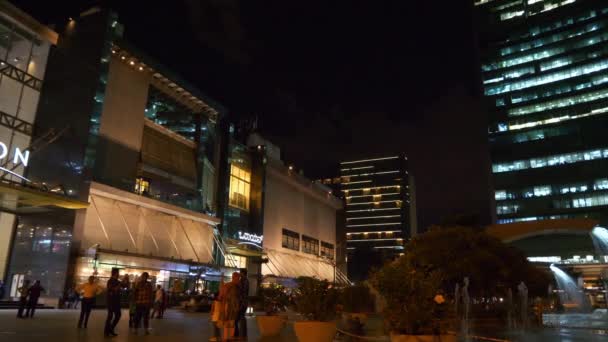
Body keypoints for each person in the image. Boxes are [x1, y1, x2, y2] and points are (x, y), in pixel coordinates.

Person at [218, 272, 241, 340]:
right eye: (237, 278)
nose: (238, 280)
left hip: (233, 308)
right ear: (234, 277)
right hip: (228, 307)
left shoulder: (236, 286)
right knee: (228, 323)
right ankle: (226, 338)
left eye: (239, 278)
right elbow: (221, 296)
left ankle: (229, 338)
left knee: (231, 324)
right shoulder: (228, 285)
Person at [104, 268, 122, 337]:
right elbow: (110, 289)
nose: (118, 274)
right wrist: (117, 288)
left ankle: (111, 329)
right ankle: (106, 332)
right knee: (110, 316)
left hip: (117, 301)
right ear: (115, 273)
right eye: (118, 273)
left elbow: (123, 286)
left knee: (118, 315)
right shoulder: (110, 281)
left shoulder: (118, 281)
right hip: (111, 301)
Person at [235, 268, 249, 339]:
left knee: (240, 317)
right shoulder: (242, 280)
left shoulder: (245, 280)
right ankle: (242, 334)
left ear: (243, 273)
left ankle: (240, 334)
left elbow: (243, 292)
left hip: (242, 302)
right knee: (240, 317)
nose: (240, 274)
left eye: (240, 272)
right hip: (242, 302)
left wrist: (237, 285)